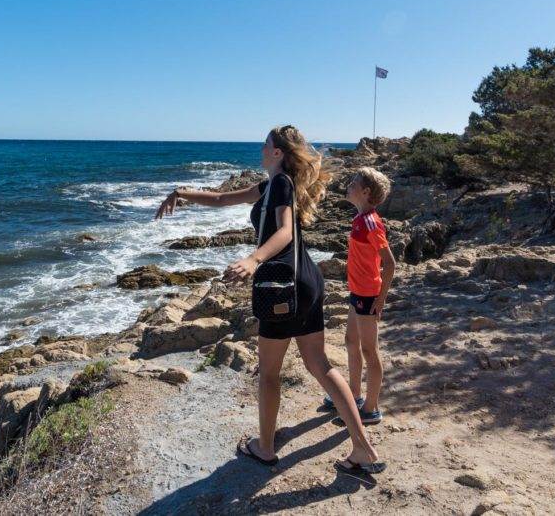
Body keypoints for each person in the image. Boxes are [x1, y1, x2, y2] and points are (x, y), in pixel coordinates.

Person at [155, 125, 386, 477]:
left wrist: (253, 260)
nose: (261, 149)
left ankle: (264, 448)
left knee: (269, 374)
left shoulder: (280, 185)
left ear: (277, 152)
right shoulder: (273, 185)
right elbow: (222, 199)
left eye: (265, 145)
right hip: (307, 280)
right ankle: (363, 449)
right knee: (320, 364)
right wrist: (179, 192)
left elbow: (284, 232)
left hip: (283, 284)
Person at [321, 167, 395, 427]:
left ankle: (371, 409)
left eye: (354, 182)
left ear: (365, 192)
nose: (349, 184)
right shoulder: (359, 218)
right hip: (357, 292)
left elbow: (390, 263)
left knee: (369, 351)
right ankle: (354, 396)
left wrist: (381, 299)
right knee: (351, 342)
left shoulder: (371, 223)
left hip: (368, 295)